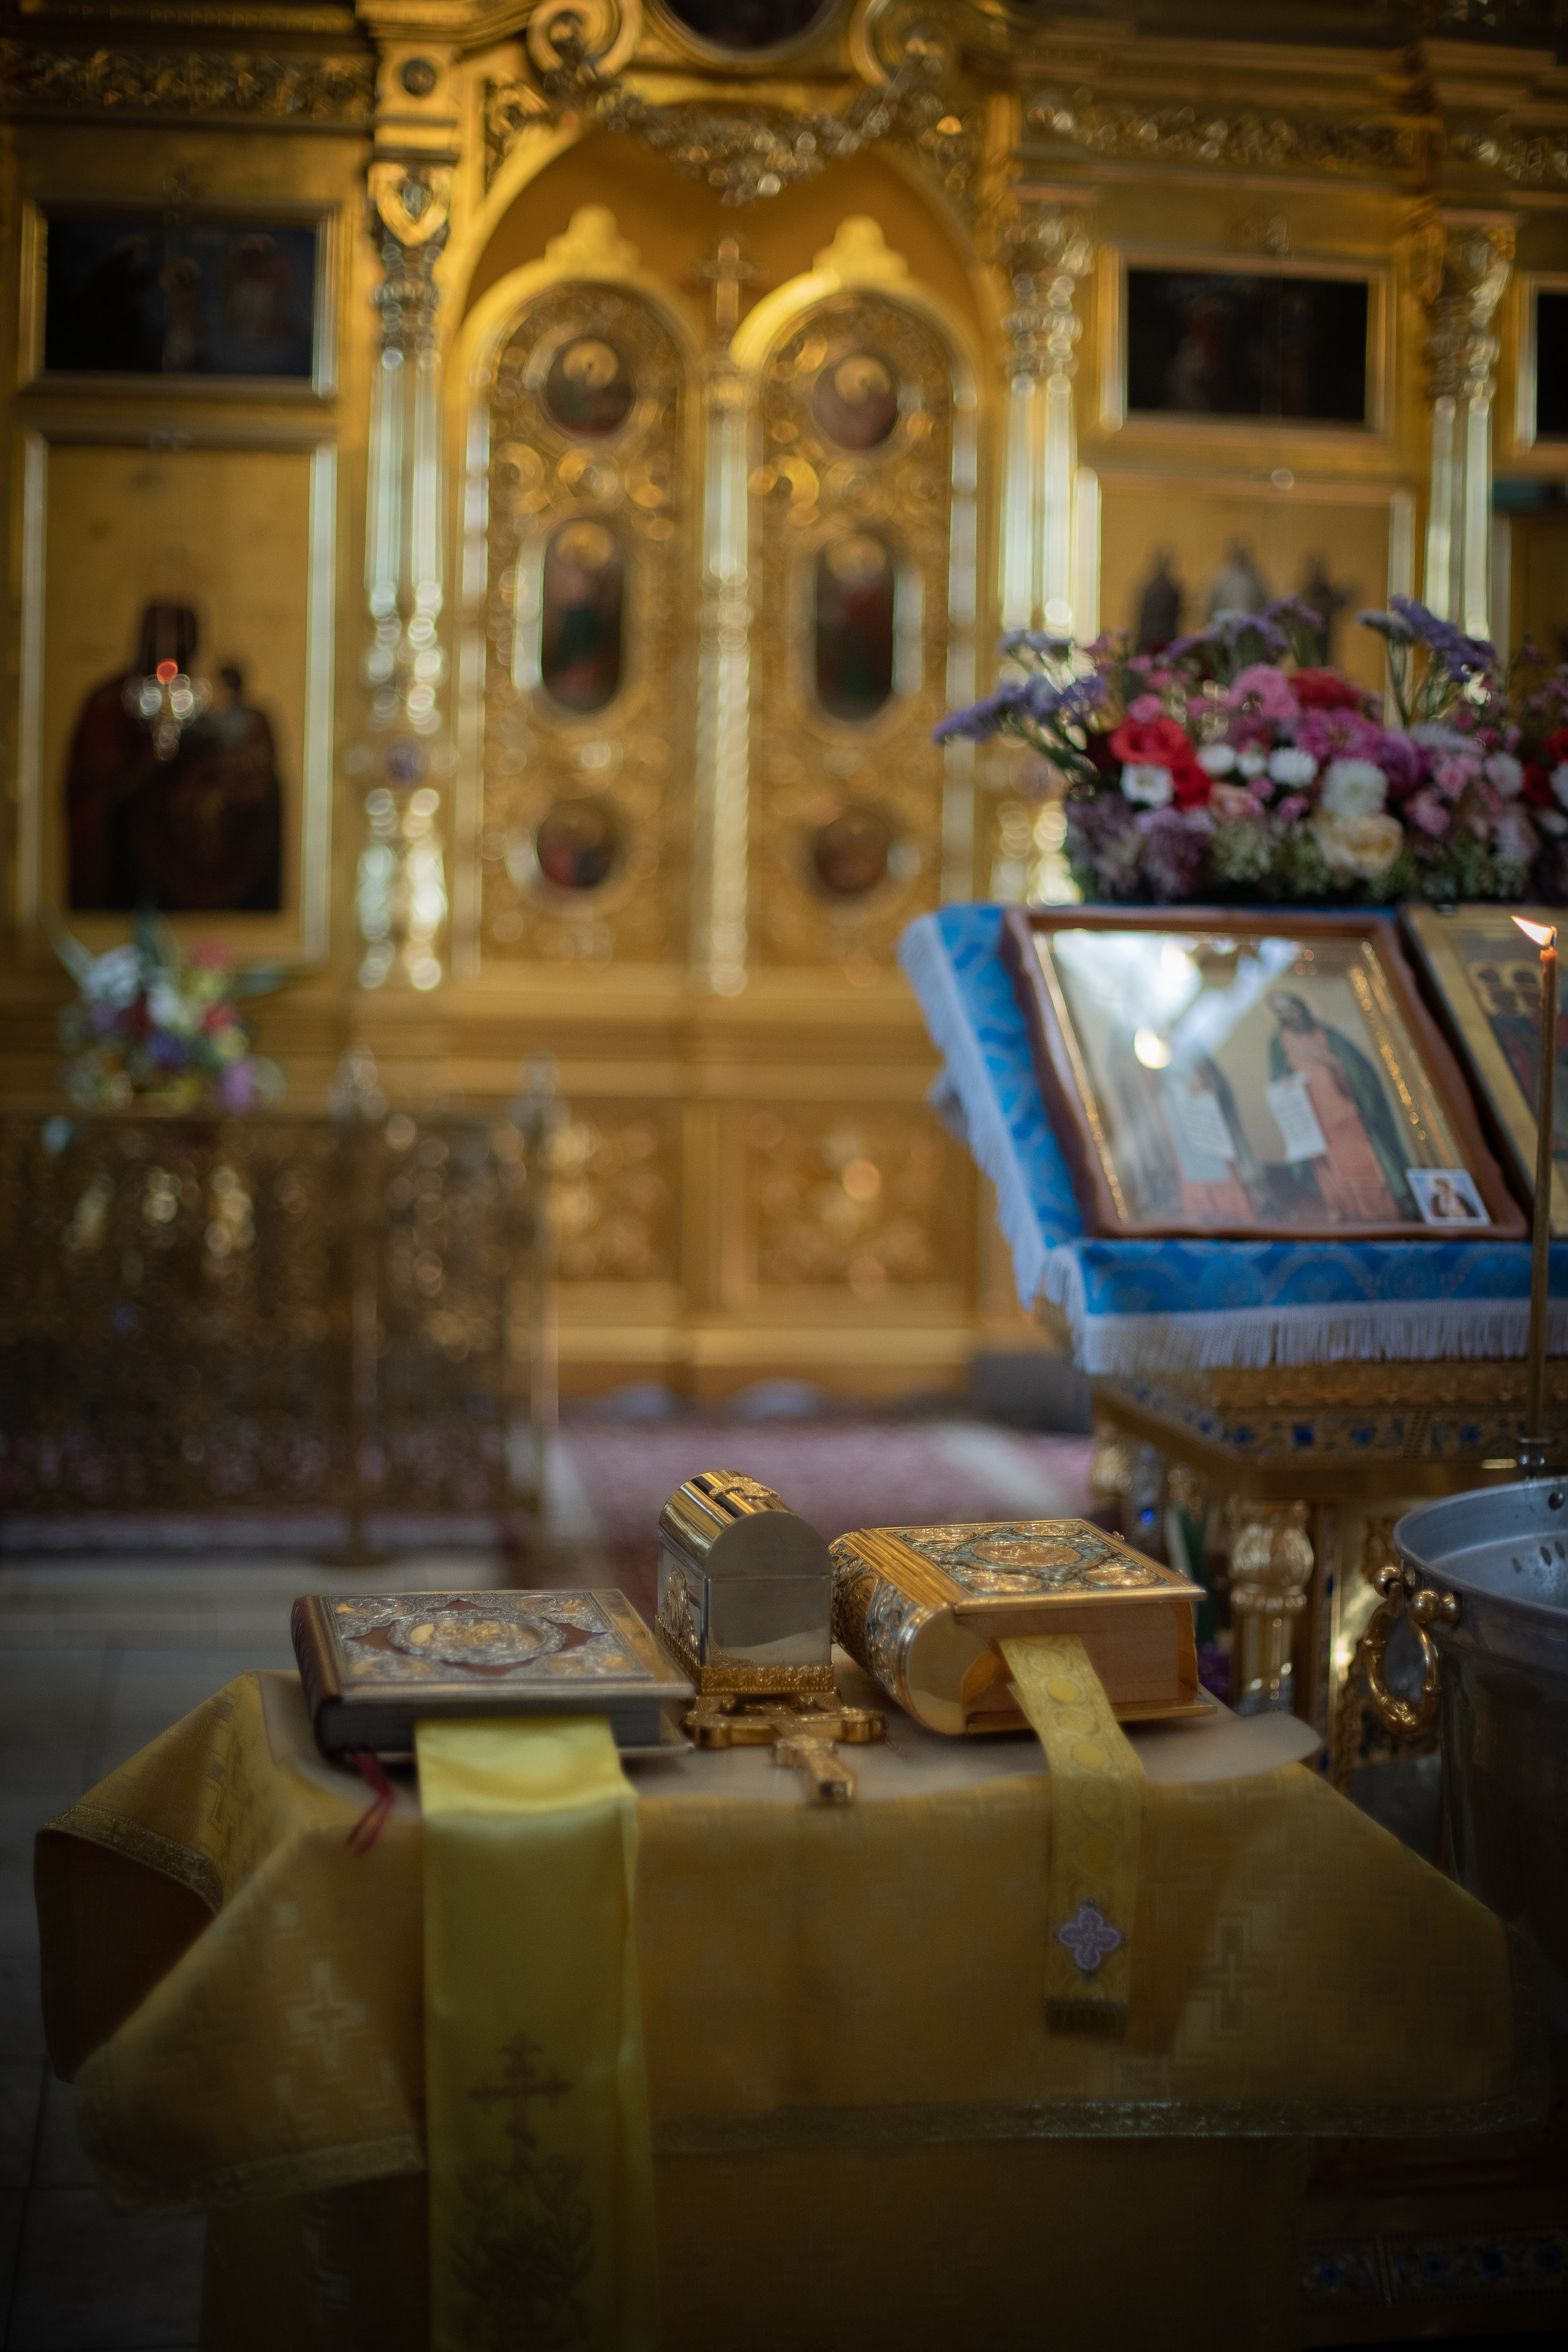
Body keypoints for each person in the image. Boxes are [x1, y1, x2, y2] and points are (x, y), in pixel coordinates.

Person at [64, 608, 282, 911]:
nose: (174, 648)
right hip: (131, 856)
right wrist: (143, 768)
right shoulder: (113, 702)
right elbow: (98, 787)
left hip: (191, 849)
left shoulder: (206, 702)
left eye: (184, 639)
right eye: (165, 636)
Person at [1266, 990, 1415, 1222]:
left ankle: (1384, 1214)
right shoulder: (1279, 1043)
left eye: (1291, 1008)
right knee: (1332, 1172)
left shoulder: (1329, 1036)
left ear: (1302, 1007)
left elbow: (1361, 1076)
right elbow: (1278, 1079)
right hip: (1314, 1121)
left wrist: (1331, 1063)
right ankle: (1348, 1213)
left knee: (1364, 1166)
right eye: (1281, 1012)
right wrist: (1286, 1085)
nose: (1288, 1016)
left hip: (1347, 1116)